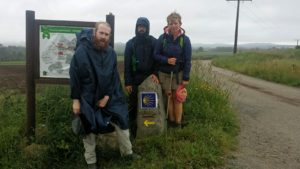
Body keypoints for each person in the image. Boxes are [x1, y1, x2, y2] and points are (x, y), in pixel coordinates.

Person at [69, 21, 139, 169]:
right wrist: (76, 100)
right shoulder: (82, 51)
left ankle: (127, 153)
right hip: (87, 96)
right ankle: (91, 161)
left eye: (107, 35)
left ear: (109, 36)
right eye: (101, 33)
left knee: (122, 118)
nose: (103, 37)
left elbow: (114, 78)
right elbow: (74, 76)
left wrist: (107, 97)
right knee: (88, 125)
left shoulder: (111, 53)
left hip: (108, 95)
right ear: (95, 32)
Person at [154, 12, 192, 128]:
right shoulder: (162, 38)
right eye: (171, 23)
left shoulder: (185, 40)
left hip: (178, 74)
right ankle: (171, 121)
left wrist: (186, 77)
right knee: (169, 97)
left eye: (176, 23)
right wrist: (167, 60)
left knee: (178, 98)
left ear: (180, 24)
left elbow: (187, 60)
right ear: (168, 24)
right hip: (164, 74)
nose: (173, 25)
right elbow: (155, 55)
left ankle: (178, 123)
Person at [124, 17, 159, 138]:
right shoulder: (130, 44)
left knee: (149, 105)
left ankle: (149, 130)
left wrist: (155, 73)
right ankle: (132, 131)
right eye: (139, 26)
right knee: (133, 105)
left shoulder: (154, 42)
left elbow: (157, 60)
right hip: (135, 79)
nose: (141, 29)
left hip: (150, 79)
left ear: (147, 28)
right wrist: (128, 83)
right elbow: (127, 65)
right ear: (136, 27)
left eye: (143, 27)